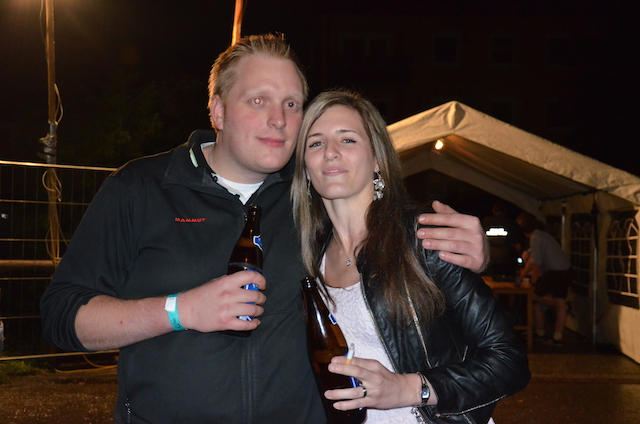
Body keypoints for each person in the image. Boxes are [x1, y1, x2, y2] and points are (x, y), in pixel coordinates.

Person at [40, 35, 489, 423]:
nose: (279, 119)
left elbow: (385, 225)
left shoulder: (313, 194)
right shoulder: (141, 188)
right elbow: (62, 316)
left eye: (292, 104)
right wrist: (180, 310)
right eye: (259, 100)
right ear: (218, 111)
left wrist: (470, 249)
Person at [292, 90, 530, 424]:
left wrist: (410, 388)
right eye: (315, 143)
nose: (330, 152)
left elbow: (509, 361)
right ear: (305, 168)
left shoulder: (424, 238)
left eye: (347, 140)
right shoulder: (305, 257)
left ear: (377, 160)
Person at [516, 211, 571, 347]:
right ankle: (549, 334)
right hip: (563, 270)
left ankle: (563, 307)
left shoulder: (536, 238)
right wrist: (523, 275)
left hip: (556, 272)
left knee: (533, 295)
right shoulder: (541, 235)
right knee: (537, 302)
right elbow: (532, 259)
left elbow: (536, 264)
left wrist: (532, 282)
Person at [482, 199, 523, 281]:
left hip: (490, 258)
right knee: (507, 281)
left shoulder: (486, 222)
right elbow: (517, 243)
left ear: (493, 211)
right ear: (505, 211)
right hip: (507, 259)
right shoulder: (511, 223)